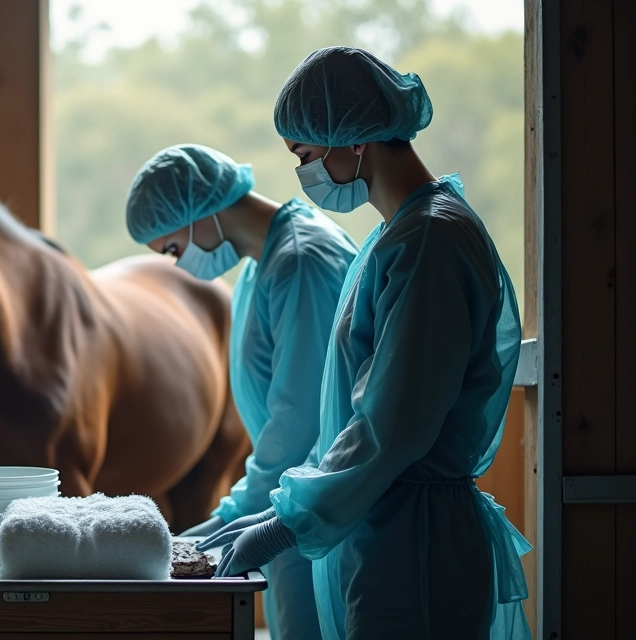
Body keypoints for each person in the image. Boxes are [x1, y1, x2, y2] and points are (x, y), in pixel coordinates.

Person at [197, 47, 531, 640]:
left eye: (306, 155)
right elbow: (360, 416)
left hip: (416, 543)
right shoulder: (399, 235)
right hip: (389, 530)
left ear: (355, 140)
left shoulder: (430, 240)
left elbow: (394, 423)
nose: (305, 173)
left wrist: (289, 521)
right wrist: (281, 511)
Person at [126, 143, 358, 639]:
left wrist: (223, 521)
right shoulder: (263, 264)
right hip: (288, 507)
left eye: (172, 248)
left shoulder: (302, 261)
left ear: (198, 209)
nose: (178, 264)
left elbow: (301, 427)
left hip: (312, 512)